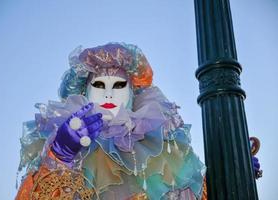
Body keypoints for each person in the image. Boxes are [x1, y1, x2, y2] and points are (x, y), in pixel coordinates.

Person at [17, 43, 261, 200]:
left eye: (119, 85)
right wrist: (59, 159)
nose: (109, 94)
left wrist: (235, 175)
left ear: (134, 94)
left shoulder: (163, 151)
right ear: (84, 92)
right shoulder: (62, 148)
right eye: (99, 85)